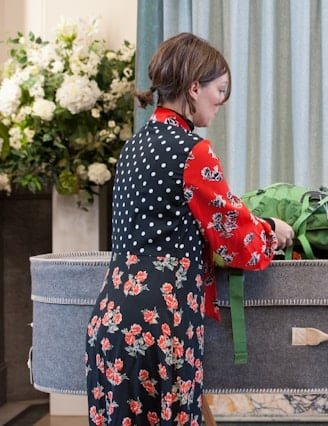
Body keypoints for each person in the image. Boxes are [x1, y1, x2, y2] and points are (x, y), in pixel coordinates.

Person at [85, 32, 294, 425]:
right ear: (194, 87)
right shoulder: (192, 150)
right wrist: (271, 229)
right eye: (220, 90)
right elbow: (236, 238)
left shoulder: (132, 148)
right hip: (159, 326)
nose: (222, 101)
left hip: (111, 319)